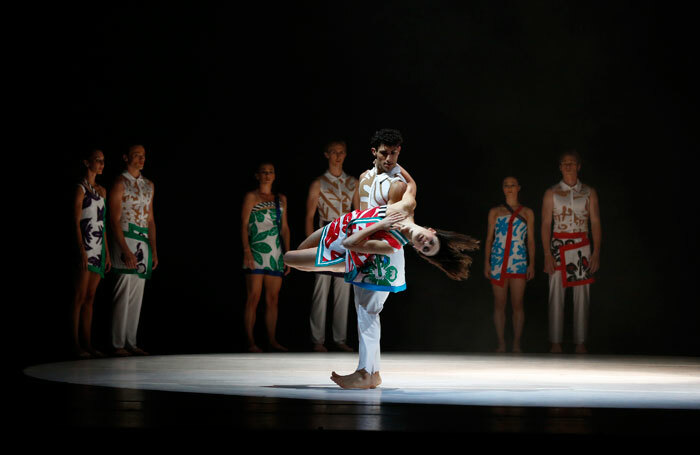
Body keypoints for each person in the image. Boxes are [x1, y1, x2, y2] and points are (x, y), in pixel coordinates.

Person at [288, 129, 478, 389]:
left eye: (395, 153)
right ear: (374, 152)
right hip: (361, 240)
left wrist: (364, 233)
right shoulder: (365, 178)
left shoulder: (397, 185)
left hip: (379, 249)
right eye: (385, 153)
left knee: (368, 311)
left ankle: (366, 372)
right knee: (362, 310)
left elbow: (393, 214)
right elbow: (362, 212)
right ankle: (371, 373)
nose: (390, 159)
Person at [541, 150, 601, 354]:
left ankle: (581, 341)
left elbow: (595, 222)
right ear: (560, 167)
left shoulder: (589, 192)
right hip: (558, 245)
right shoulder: (552, 192)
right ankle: (555, 342)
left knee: (582, 296)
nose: (568, 166)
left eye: (572, 163)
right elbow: (546, 223)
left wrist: (596, 252)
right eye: (564, 163)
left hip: (582, 245)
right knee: (555, 294)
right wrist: (547, 253)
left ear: (578, 166)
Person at [305, 140, 357, 353]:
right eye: (334, 152)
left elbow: (358, 214)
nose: (338, 156)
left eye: (341, 152)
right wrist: (310, 245)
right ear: (326, 154)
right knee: (321, 288)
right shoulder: (318, 183)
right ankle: (318, 339)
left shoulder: (353, 182)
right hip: (325, 235)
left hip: (345, 237)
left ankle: (339, 338)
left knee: (344, 290)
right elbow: (309, 216)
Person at [109, 144, 158, 357]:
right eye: (137, 155)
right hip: (126, 237)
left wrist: (154, 249)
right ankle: (117, 342)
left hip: (142, 240)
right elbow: (114, 218)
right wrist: (124, 248)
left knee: (137, 293)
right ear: (126, 157)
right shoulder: (120, 182)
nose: (141, 159)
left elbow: (151, 219)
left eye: (143, 156)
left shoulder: (149, 185)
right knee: (123, 290)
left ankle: (131, 340)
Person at [242, 162, 291, 353]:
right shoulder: (251, 197)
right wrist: (246, 250)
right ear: (257, 175)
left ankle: (272, 340)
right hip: (256, 249)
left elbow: (285, 228)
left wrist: (288, 253)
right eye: (264, 172)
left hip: (275, 252)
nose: (268, 175)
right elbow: (244, 224)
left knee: (273, 298)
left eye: (271, 172)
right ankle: (250, 341)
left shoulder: (281, 199)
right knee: (253, 297)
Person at [484, 176, 535, 353]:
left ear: (519, 187)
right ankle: (501, 343)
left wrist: (532, 264)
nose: (510, 188)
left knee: (517, 304)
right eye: (506, 185)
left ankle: (516, 344)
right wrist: (487, 263)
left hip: (519, 260)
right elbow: (490, 239)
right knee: (499, 304)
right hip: (498, 261)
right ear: (503, 188)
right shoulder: (495, 212)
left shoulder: (527, 212)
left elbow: (531, 241)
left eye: (513, 185)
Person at [71, 149, 111, 359]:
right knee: (79, 296)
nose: (101, 164)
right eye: (97, 160)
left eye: (103, 161)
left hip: (98, 247)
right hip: (86, 246)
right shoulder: (80, 189)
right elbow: (76, 221)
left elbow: (103, 224)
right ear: (87, 162)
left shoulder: (101, 190)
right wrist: (81, 250)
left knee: (90, 297)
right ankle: (75, 344)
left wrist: (107, 252)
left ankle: (87, 343)